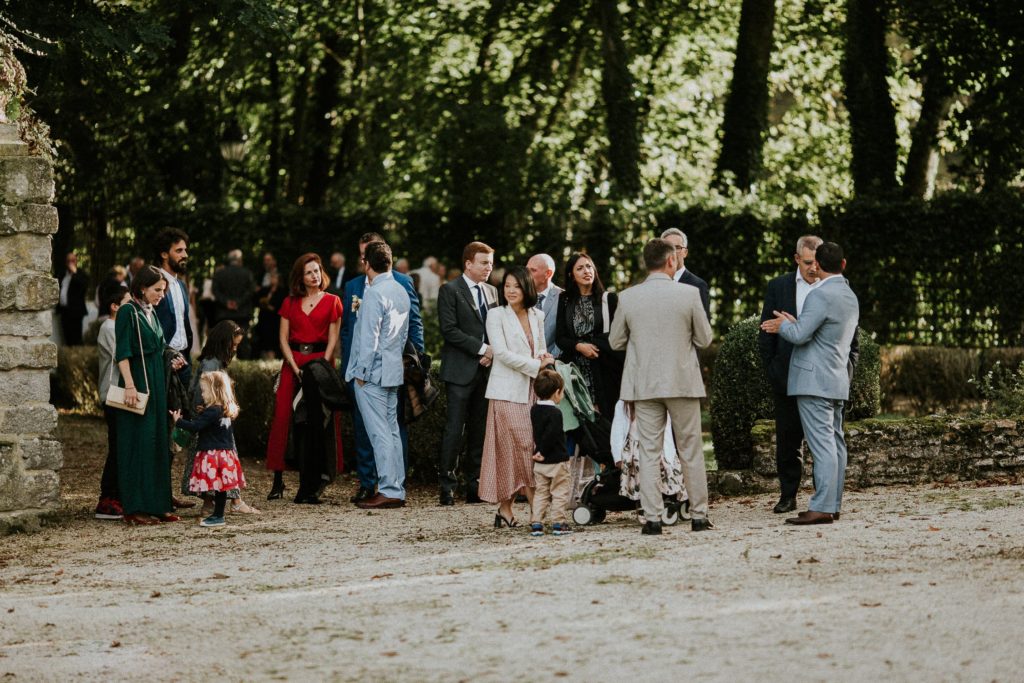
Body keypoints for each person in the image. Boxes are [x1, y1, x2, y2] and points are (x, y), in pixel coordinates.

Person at [609, 238, 712, 535]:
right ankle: (699, 516)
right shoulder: (689, 294)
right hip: (681, 382)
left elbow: (616, 341)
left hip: (644, 383)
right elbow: (704, 339)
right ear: (671, 261)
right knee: (691, 449)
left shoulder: (628, 297)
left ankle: (653, 519)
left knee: (649, 451)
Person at [760, 242, 860, 526]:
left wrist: (783, 326)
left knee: (823, 445)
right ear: (842, 265)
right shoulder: (848, 294)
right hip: (836, 377)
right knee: (836, 443)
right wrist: (795, 323)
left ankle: (822, 507)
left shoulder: (820, 295)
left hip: (813, 380)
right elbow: (822, 334)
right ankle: (833, 503)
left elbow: (801, 335)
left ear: (817, 265)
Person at [340, 232, 425, 503]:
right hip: (392, 370)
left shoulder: (375, 293)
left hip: (372, 374)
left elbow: (368, 338)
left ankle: (388, 490)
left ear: (368, 264)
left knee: (379, 433)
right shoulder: (399, 290)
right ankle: (397, 487)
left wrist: (361, 374)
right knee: (391, 431)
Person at [265, 253, 343, 502]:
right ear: (301, 276)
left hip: (320, 363)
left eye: (317, 270)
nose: (314, 275)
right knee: (283, 417)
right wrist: (294, 366)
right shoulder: (289, 302)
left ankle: (315, 478)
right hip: (293, 362)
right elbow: (282, 339)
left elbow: (333, 339)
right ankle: (278, 480)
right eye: (309, 272)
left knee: (316, 420)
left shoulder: (333, 301)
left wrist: (320, 366)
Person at [479, 266, 553, 527]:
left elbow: (541, 347)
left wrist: (545, 358)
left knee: (516, 451)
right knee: (524, 447)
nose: (510, 290)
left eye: (516, 286)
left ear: (527, 289)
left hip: (533, 391)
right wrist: (536, 366)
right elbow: (500, 353)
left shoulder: (538, 315)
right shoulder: (495, 315)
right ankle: (537, 509)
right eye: (507, 286)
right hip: (506, 392)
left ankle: (505, 509)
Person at [114, 266, 186, 525]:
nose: (161, 295)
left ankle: (158, 504)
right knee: (140, 445)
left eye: (164, 291)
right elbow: (122, 353)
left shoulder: (151, 312)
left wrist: (172, 357)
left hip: (157, 382)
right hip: (139, 384)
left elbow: (159, 346)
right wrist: (131, 386)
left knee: (157, 443)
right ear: (142, 287)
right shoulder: (127, 312)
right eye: (157, 290)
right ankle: (136, 507)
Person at [758, 234, 824, 514]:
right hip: (786, 376)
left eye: (817, 262)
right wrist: (773, 368)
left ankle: (824, 497)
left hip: (822, 377)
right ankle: (788, 495)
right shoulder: (778, 286)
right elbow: (766, 333)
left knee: (823, 441)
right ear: (797, 259)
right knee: (787, 441)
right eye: (808, 262)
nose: (813, 268)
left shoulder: (831, 287)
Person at [437, 242, 497, 506]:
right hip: (460, 371)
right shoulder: (449, 290)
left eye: (491, 263)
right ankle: (447, 487)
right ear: (468, 263)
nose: (489, 267)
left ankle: (474, 486)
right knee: (454, 430)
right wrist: (483, 348)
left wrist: (491, 353)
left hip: (487, 371)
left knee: (479, 431)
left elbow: (495, 326)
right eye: (484, 262)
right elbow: (449, 330)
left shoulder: (493, 291)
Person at [179, 320, 260, 515]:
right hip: (214, 420)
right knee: (223, 460)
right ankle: (234, 501)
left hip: (209, 419)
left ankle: (210, 502)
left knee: (209, 462)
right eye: (233, 344)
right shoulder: (211, 363)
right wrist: (207, 408)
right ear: (224, 341)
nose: (234, 348)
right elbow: (206, 389)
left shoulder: (210, 360)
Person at [172, 371, 246, 528]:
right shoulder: (222, 409)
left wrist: (178, 421)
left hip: (214, 454)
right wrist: (204, 412)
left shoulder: (212, 411)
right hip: (224, 454)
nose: (202, 394)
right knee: (221, 487)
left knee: (218, 487)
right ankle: (218, 514)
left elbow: (195, 427)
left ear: (214, 390)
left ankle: (219, 516)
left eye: (204, 390)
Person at [555, 252, 622, 418]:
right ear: (572, 275)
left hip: (604, 369)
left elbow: (620, 336)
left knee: (606, 419)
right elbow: (560, 337)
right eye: (580, 268)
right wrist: (579, 346)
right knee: (582, 423)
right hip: (575, 371)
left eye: (589, 266)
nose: (586, 271)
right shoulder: (565, 300)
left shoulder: (609, 300)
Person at [95, 288, 131, 520]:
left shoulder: (120, 327)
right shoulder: (109, 328)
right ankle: (107, 498)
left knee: (123, 444)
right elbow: (121, 355)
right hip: (113, 393)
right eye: (127, 303)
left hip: (121, 394)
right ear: (114, 306)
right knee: (117, 446)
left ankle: (119, 494)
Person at [529, 370, 571, 537]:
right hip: (557, 460)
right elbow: (551, 434)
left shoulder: (534, 410)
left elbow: (540, 434)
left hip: (540, 463)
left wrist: (539, 451)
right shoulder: (556, 413)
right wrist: (543, 451)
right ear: (557, 392)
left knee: (541, 492)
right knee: (559, 492)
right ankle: (558, 523)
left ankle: (537, 523)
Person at [152, 228, 194, 384]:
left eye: (185, 250)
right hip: (163, 361)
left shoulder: (182, 286)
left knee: (184, 408)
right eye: (179, 250)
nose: (185, 255)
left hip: (184, 361)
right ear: (164, 254)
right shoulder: (153, 283)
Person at [660, 228, 711, 324]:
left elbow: (703, 329)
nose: (672, 253)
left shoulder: (698, 286)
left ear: (685, 253)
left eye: (677, 248)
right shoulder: (654, 284)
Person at [212, 249, 257, 357]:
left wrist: (226, 302)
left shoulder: (220, 274)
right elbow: (251, 291)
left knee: (224, 340)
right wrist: (238, 302)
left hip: (224, 313)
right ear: (240, 260)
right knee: (243, 340)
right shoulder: (247, 273)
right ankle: (244, 365)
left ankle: (222, 362)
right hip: (242, 312)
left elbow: (215, 291)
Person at [527, 253, 563, 358]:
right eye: (526, 270)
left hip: (552, 364)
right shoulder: (519, 296)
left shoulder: (563, 298)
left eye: (532, 270)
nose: (526, 274)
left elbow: (565, 335)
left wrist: (551, 359)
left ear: (548, 274)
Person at [57, 251, 89, 346]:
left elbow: (83, 286)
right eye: (68, 261)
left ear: (76, 261)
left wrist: (75, 273)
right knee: (67, 338)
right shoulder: (63, 274)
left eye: (73, 260)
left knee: (76, 338)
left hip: (76, 311)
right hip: (64, 311)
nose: (71, 263)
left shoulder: (81, 274)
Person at [255, 271, 287, 359]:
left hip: (275, 320)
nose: (272, 279)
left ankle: (273, 356)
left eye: (274, 277)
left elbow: (280, 306)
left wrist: (269, 306)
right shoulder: (265, 290)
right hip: (264, 319)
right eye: (271, 277)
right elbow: (258, 300)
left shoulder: (282, 291)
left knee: (273, 340)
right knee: (264, 339)